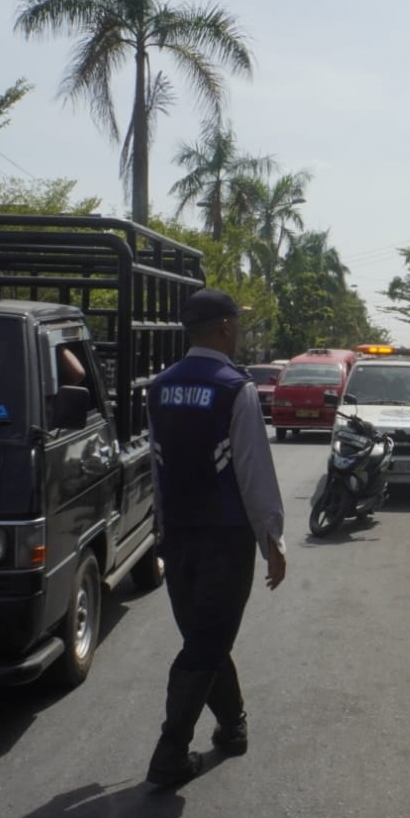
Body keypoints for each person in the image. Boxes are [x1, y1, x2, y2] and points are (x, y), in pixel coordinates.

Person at [145, 287, 288, 789]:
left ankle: (232, 726)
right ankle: (170, 751)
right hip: (225, 539)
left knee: (205, 635)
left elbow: (156, 467)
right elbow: (253, 469)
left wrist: (158, 530)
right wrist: (272, 539)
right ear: (224, 327)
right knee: (207, 640)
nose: (240, 329)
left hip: (177, 534)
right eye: (238, 322)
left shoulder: (159, 387)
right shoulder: (234, 386)